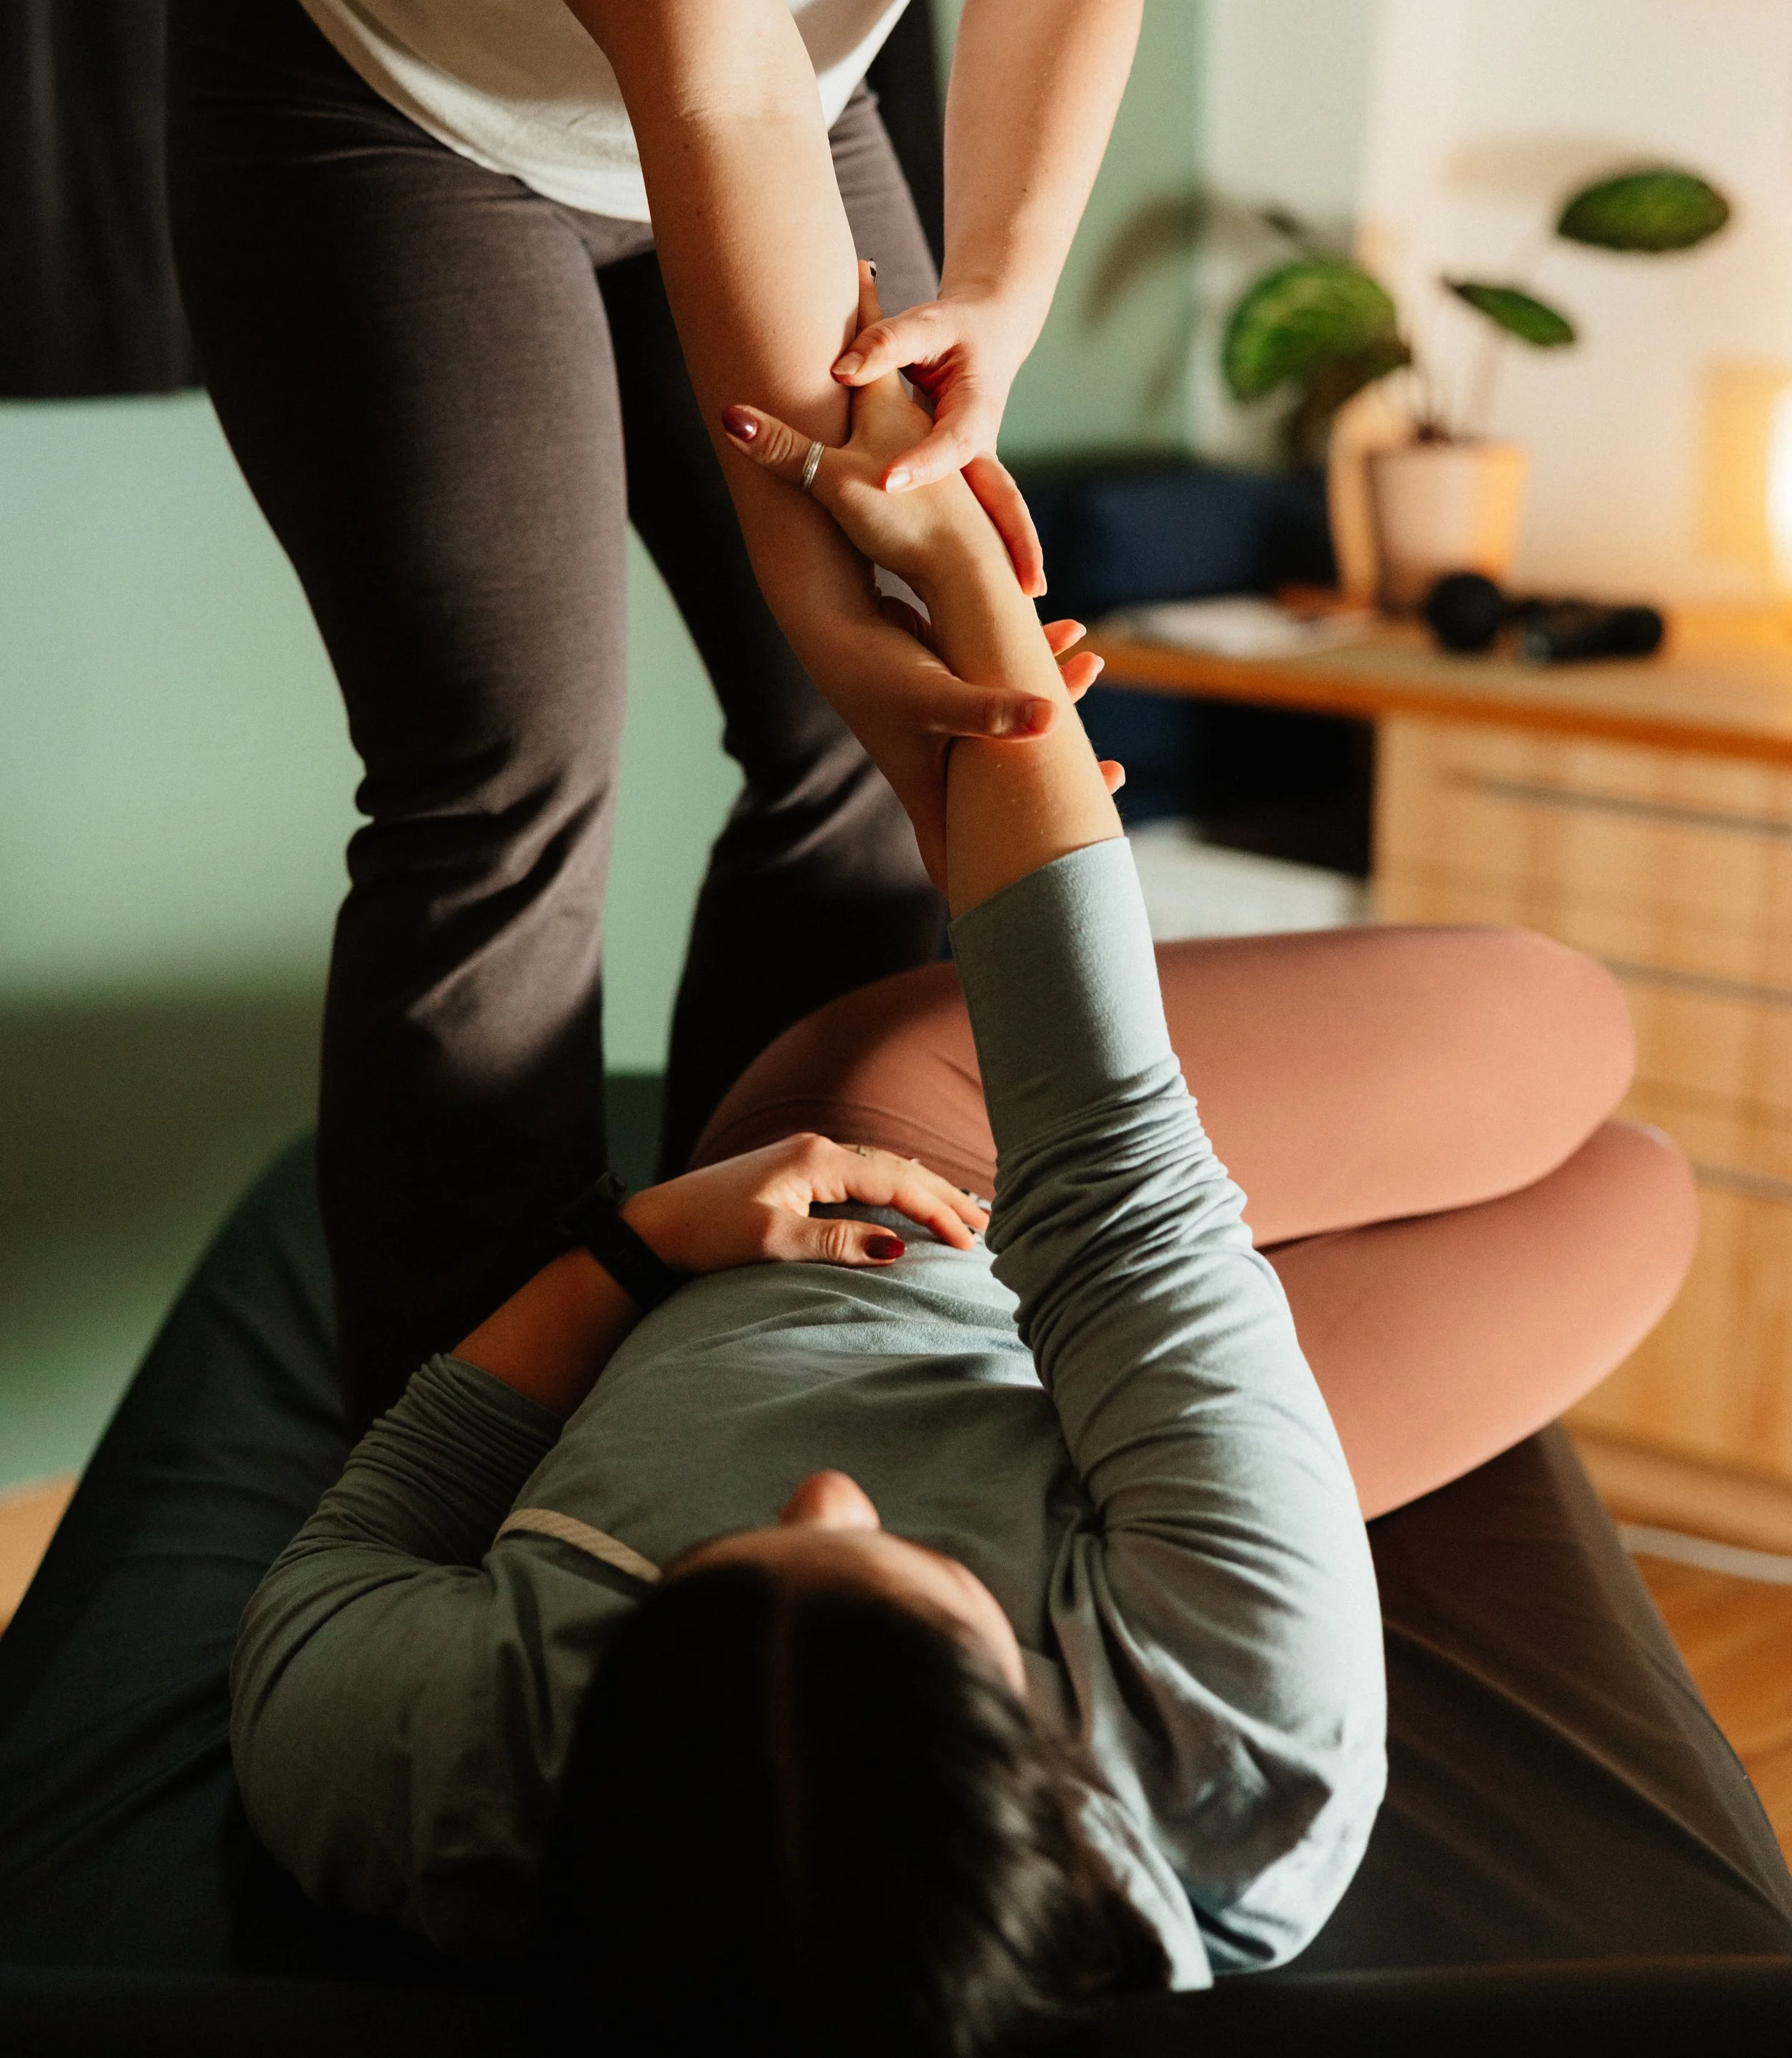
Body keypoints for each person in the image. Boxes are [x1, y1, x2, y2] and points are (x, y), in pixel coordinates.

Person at [229, 310, 1698, 2055]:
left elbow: (351, 1550)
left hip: (886, 1177)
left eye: (717, 1565)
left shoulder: (420, 1776)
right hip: (1095, 1403)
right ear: (1038, 1742)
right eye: (888, 1565)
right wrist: (976, 613)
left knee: (1564, 1058)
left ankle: (1166, 1390)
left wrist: (634, 1252)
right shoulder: (1240, 1746)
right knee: (1625, 1162)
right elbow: (1109, 1163)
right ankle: (1189, 1414)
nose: (827, 1492)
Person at [163, 0, 1213, 1437]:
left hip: (785, 86)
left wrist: (987, 296)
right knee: (506, 785)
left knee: (866, 753)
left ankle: (744, 1342)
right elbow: (699, 81)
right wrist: (840, 610)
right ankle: (457, 1462)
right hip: (389, 98)